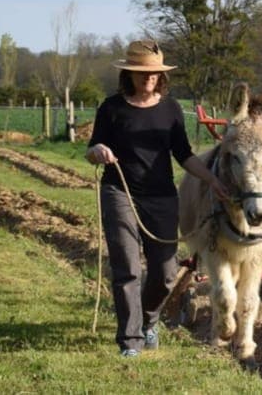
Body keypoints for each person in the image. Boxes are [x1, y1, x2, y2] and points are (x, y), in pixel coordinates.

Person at [85, 40, 228, 358]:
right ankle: (130, 340)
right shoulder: (111, 108)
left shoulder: (171, 109)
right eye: (142, 72)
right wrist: (97, 152)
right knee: (128, 269)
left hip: (162, 196)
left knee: (165, 273)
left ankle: (149, 320)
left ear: (161, 75)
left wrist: (212, 180)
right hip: (119, 192)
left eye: (154, 72)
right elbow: (91, 150)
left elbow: (184, 155)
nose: (148, 77)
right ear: (130, 74)